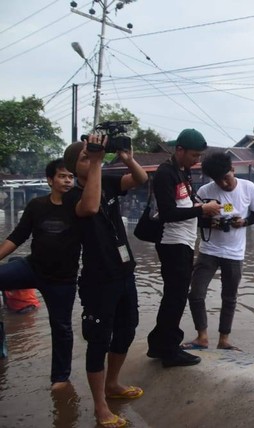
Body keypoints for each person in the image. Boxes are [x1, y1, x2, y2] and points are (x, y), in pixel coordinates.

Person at [63, 135, 148, 428]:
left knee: (127, 330)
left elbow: (139, 179)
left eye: (93, 156)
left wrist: (126, 157)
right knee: (98, 341)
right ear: (73, 168)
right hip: (98, 280)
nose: (93, 159)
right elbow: (89, 207)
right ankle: (100, 406)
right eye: (85, 158)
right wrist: (97, 162)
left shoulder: (110, 183)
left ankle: (113, 384)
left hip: (124, 273)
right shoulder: (72, 196)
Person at [0, 158, 79, 390]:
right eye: (62, 176)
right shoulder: (37, 205)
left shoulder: (78, 206)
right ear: (50, 180)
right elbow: (17, 237)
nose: (67, 180)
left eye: (70, 177)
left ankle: (60, 378)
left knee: (62, 327)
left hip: (62, 280)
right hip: (32, 267)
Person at [146, 129, 221, 368]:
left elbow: (185, 204)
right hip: (172, 242)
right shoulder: (165, 173)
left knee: (175, 296)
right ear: (179, 150)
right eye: (194, 155)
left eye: (199, 156)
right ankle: (169, 351)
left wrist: (205, 212)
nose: (197, 161)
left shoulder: (183, 171)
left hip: (186, 241)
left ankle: (159, 344)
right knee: (175, 297)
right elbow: (168, 213)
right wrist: (202, 210)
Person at [182, 151, 254, 351]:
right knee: (196, 293)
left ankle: (224, 340)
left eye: (226, 178)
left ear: (233, 170)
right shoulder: (205, 191)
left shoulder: (249, 188)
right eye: (219, 181)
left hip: (234, 253)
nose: (224, 184)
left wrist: (244, 222)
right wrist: (212, 222)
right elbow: (195, 218)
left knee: (229, 297)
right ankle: (202, 337)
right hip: (209, 250)